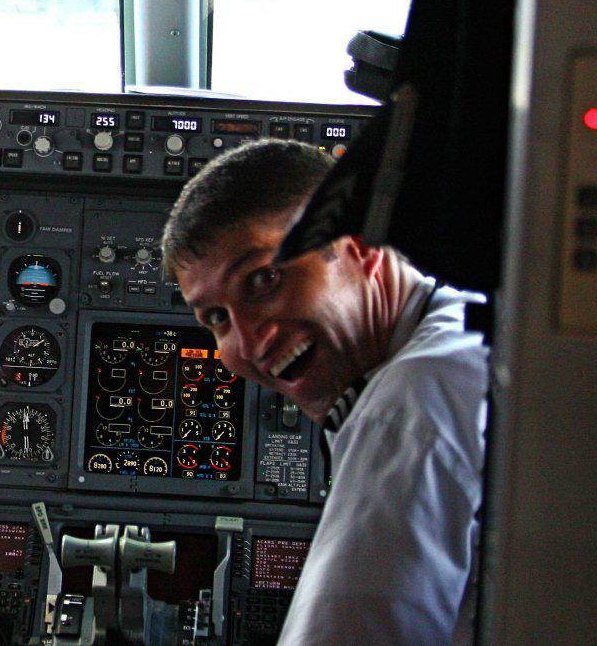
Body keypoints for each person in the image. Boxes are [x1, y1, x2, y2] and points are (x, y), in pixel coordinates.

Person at [161, 139, 487, 644]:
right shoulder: (463, 327)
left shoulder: (410, 404)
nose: (249, 342)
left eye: (263, 279)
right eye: (217, 317)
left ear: (363, 247)